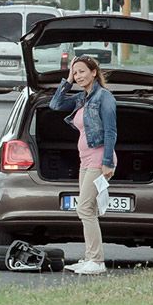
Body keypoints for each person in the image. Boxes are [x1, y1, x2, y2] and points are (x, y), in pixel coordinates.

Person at [49, 55, 117, 276]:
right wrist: (67, 79)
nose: (78, 76)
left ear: (94, 72)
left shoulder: (104, 97)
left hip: (99, 160)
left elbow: (110, 131)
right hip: (85, 161)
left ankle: (97, 261)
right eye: (75, 73)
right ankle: (89, 257)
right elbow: (55, 104)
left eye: (81, 72)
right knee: (90, 210)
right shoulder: (83, 98)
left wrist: (107, 162)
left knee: (84, 208)